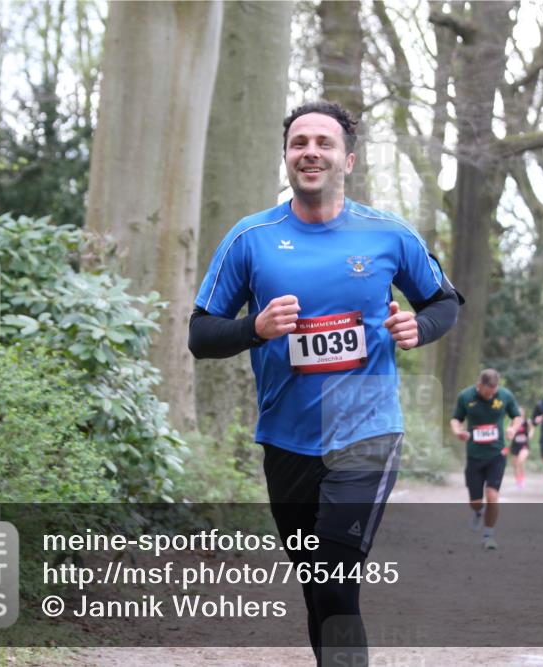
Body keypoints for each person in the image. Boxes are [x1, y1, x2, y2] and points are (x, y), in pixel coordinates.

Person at [188, 101, 461, 667]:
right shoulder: (251, 237)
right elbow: (201, 333)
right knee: (317, 586)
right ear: (287, 157)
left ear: (348, 159)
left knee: (336, 582)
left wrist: (420, 325)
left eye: (324, 142)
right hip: (286, 437)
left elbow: (445, 301)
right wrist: (253, 328)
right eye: (299, 142)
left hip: (366, 430)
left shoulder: (388, 235)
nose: (310, 151)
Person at [450, 369, 521, 551]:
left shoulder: (504, 395)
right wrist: (458, 431)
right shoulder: (466, 396)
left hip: (496, 455)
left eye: (494, 393)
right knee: (475, 501)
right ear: (479, 385)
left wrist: (513, 428)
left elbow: (517, 416)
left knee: (492, 495)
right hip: (474, 456)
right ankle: (478, 511)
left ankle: (489, 535)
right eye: (487, 393)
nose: (491, 396)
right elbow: (456, 419)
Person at [505, 407, 533, 490]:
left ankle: (522, 479)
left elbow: (532, 428)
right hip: (515, 445)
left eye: (521, 412)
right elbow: (508, 432)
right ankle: (518, 481)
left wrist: (530, 434)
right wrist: (509, 433)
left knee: (521, 461)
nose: (520, 414)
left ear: (524, 413)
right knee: (515, 464)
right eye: (518, 412)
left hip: (524, 445)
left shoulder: (527, 421)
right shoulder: (512, 422)